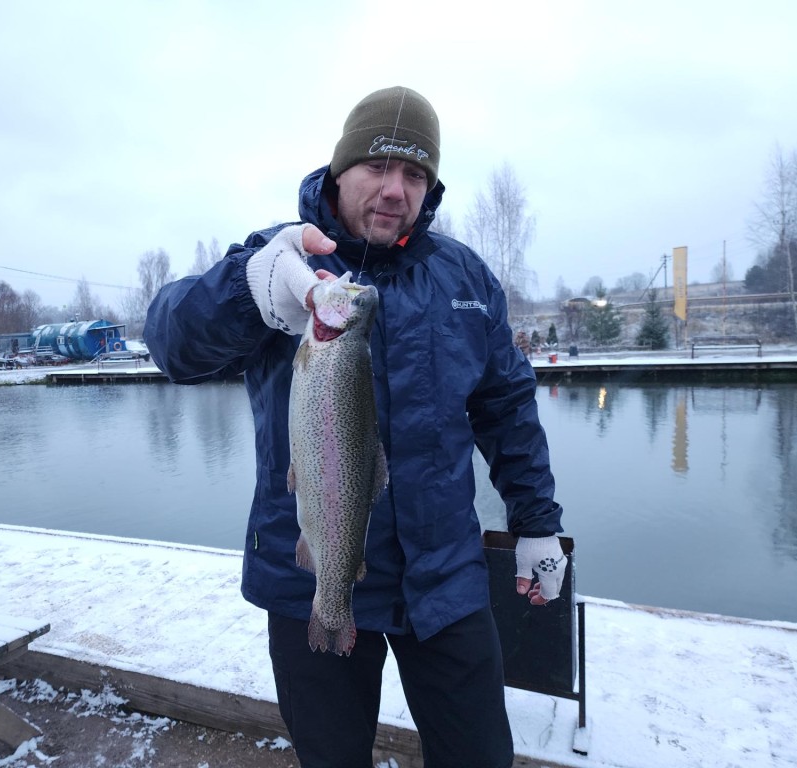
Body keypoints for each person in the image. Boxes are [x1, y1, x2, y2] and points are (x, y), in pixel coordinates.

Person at [144, 86, 566, 768]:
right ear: (340, 171)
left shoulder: (464, 277)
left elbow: (508, 407)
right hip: (307, 571)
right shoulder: (280, 261)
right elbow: (171, 343)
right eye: (377, 167)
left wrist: (537, 522)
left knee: (481, 756)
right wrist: (247, 288)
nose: (396, 189)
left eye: (416, 174)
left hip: (445, 577)